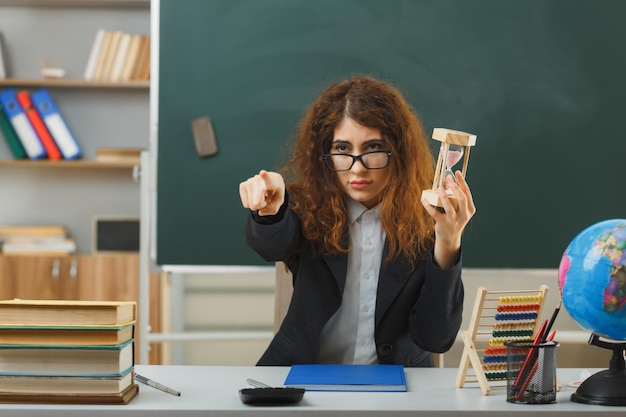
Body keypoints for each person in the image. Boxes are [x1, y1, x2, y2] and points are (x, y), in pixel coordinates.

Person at [238, 75, 476, 367]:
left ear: (399, 153)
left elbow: (436, 338)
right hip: (304, 380)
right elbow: (271, 245)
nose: (358, 168)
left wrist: (449, 241)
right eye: (342, 149)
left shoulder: (426, 216)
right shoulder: (307, 207)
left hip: (400, 387)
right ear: (325, 154)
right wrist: (270, 211)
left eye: (373, 148)